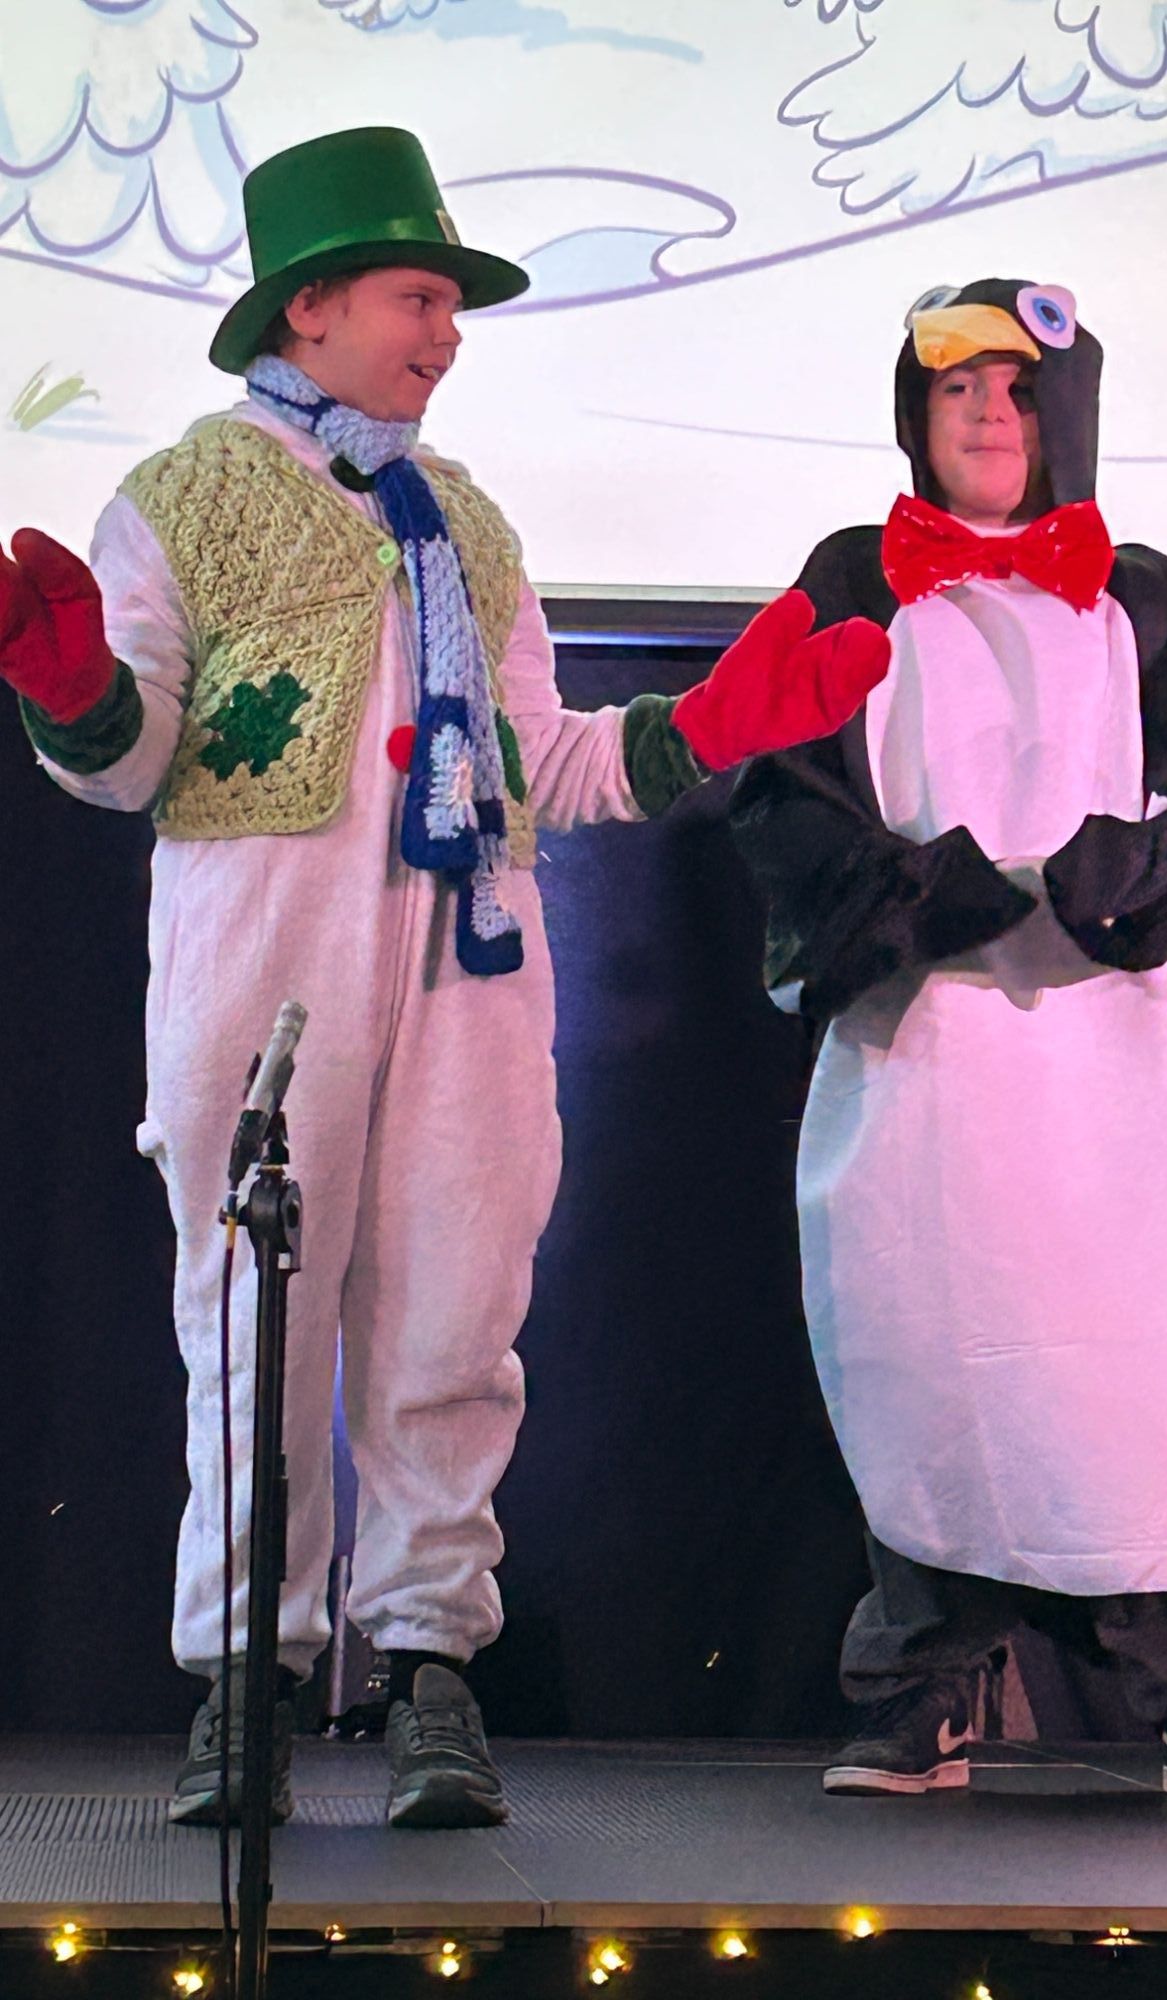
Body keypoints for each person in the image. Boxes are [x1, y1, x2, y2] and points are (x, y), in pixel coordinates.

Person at [0, 126, 888, 1829]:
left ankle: (427, 1672)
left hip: (470, 958)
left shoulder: (467, 520)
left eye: (452, 302)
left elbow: (547, 759)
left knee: (455, 1313)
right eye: (420, 296)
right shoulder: (181, 497)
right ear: (313, 306)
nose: (448, 329)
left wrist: (709, 727)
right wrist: (72, 695)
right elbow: (132, 761)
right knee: (254, 1313)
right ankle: (245, 1686)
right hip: (268, 965)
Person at [729, 277, 1167, 1804]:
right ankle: (923, 1679)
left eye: (1013, 390)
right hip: (923, 1039)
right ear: (911, 415)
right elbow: (778, 787)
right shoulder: (850, 581)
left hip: (1119, 1049)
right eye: (954, 393)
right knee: (921, 1351)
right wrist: (901, 893)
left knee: (1152, 1365)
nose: (986, 417)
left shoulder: (1155, 601)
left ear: (1065, 412)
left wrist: (1153, 869)